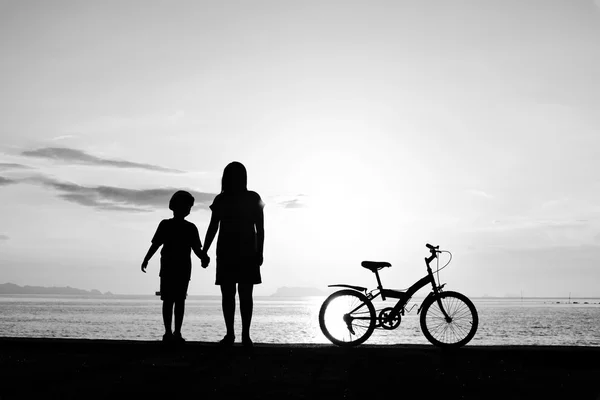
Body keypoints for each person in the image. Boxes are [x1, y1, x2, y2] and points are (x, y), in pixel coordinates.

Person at [203, 161, 264, 347]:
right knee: (240, 294)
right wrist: (204, 250)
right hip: (239, 250)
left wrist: (205, 251)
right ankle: (239, 335)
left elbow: (260, 228)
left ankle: (237, 334)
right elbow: (259, 229)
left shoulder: (227, 199)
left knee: (232, 294)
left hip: (234, 250)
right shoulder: (238, 199)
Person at [141, 190, 209, 343]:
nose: (188, 209)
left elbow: (197, 249)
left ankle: (175, 332)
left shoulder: (189, 227)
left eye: (189, 207)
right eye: (187, 206)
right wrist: (146, 258)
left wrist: (204, 257)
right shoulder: (169, 225)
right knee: (171, 300)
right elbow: (156, 245)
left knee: (176, 300)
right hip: (171, 267)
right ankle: (169, 332)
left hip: (179, 268)